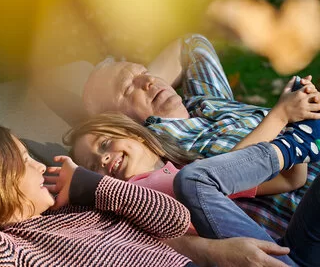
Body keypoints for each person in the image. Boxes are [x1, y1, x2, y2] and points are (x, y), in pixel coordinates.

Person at [0, 125, 291, 267]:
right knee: (195, 180)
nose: (38, 165)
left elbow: (172, 218)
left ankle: (299, 142)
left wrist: (89, 185)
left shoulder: (80, 206)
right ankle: (289, 147)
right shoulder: (12, 250)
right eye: (22, 162)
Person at [82, 33, 320, 239]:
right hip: (303, 216)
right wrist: (283, 116)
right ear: (119, 124)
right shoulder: (166, 146)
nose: (149, 81)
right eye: (127, 88)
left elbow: (191, 44)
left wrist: (145, 83)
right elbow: (233, 171)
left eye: (145, 72)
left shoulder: (202, 102)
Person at [64, 112, 320, 266]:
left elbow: (290, 180)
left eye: (105, 144)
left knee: (193, 177)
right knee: (191, 180)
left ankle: (300, 137)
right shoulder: (124, 198)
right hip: (244, 259)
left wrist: (299, 119)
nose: (103, 160)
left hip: (285, 253)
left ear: (135, 134)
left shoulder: (189, 171)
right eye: (91, 166)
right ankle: (297, 142)